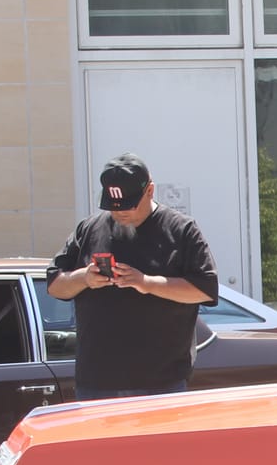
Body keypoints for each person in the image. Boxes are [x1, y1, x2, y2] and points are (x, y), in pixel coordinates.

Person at [47, 153, 218, 399]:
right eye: (112, 206)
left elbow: (204, 290)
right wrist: (84, 278)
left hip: (160, 382)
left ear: (150, 190)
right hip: (96, 381)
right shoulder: (88, 229)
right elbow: (54, 285)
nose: (120, 213)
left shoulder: (181, 230)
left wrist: (145, 282)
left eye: (128, 205)